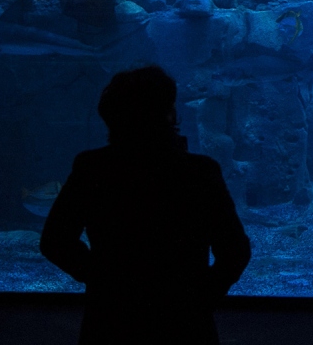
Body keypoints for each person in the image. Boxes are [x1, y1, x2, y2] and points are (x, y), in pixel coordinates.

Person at [40, 66, 252, 345]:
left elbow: (55, 241)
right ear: (169, 115)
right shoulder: (199, 171)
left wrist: (104, 281)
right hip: (185, 325)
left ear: (111, 116)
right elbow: (235, 251)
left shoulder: (93, 168)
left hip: (111, 321)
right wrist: (199, 299)